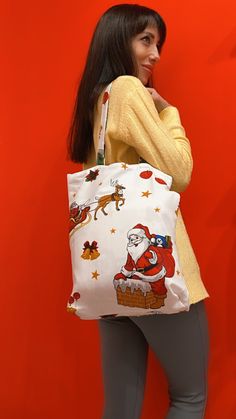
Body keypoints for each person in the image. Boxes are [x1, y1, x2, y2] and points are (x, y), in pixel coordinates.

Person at [67, 4, 210, 418]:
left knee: (121, 407)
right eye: (145, 40)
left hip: (110, 282)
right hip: (162, 275)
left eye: (158, 43)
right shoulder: (128, 90)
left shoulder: (98, 99)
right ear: (118, 40)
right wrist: (169, 112)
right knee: (189, 397)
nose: (156, 54)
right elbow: (179, 172)